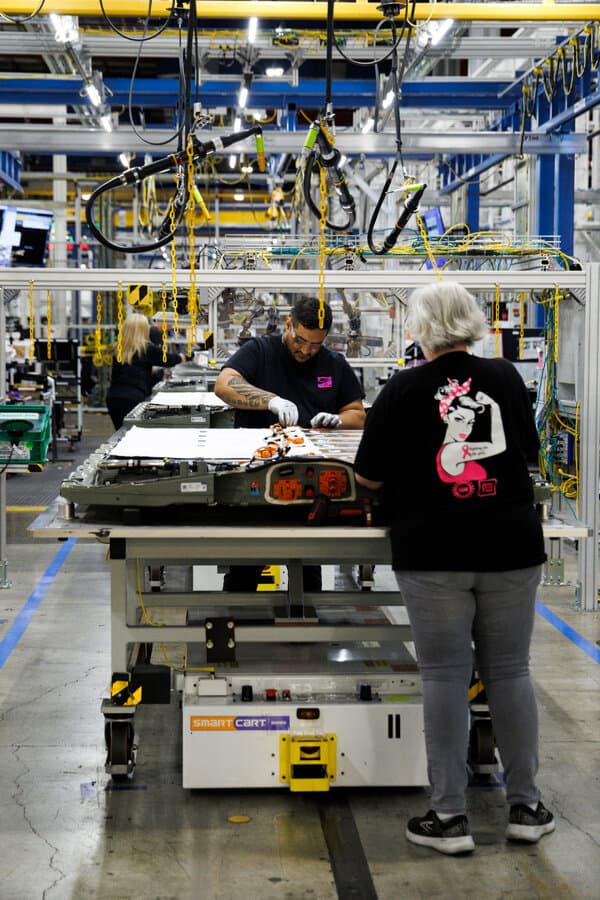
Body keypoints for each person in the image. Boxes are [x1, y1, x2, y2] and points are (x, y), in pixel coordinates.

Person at [353, 281, 552, 855]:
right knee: (510, 671)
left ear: (419, 329)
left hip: (433, 549)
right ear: (472, 323)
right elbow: (530, 454)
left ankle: (449, 817)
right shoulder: (508, 378)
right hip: (511, 545)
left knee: (443, 675)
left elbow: (368, 477)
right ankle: (527, 808)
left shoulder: (404, 387)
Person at [215, 296, 366, 591]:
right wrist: (269, 400)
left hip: (312, 484)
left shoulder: (334, 364)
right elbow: (224, 384)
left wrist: (338, 420)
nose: (306, 350)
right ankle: (237, 621)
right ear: (288, 324)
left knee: (308, 567)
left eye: (315, 344)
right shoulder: (260, 351)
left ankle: (304, 627)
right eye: (300, 340)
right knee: (246, 567)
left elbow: (357, 414)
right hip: (257, 478)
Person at [106, 313, 186, 431]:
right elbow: (169, 360)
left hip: (113, 398)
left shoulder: (119, 348)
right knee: (133, 435)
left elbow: (128, 373)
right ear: (143, 330)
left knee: (121, 434)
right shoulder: (146, 348)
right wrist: (186, 356)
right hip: (133, 398)